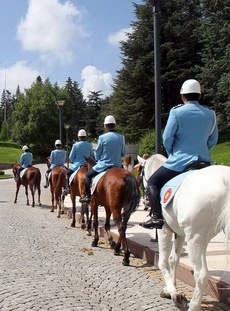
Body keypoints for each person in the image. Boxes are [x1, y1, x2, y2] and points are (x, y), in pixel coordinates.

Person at [141, 79, 218, 229]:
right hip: (204, 162)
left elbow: (167, 138)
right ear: (200, 95)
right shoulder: (211, 114)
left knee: (153, 183)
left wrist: (173, 152)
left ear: (183, 97)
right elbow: (213, 139)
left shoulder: (176, 112)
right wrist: (202, 149)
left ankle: (156, 217)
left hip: (180, 162)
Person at [80, 115, 126, 204]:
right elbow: (123, 153)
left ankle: (88, 197)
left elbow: (97, 155)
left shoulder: (102, 138)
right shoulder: (121, 137)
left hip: (103, 165)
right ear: (115, 125)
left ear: (105, 126)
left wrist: (99, 158)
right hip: (117, 165)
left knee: (88, 176)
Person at [63, 129, 94, 195]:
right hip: (87, 166)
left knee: (67, 174)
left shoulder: (75, 145)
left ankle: (68, 188)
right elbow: (92, 155)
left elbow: (71, 157)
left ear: (78, 137)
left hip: (76, 166)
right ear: (85, 136)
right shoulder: (89, 145)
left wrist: (73, 161)